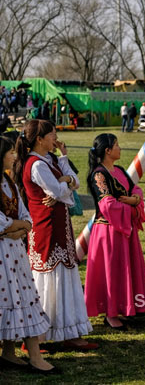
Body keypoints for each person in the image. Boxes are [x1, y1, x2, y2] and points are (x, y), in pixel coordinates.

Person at [13, 120, 96, 350]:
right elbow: (57, 191)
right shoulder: (36, 165)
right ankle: (39, 335)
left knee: (64, 277)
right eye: (52, 134)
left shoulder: (49, 159)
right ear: (40, 139)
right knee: (49, 279)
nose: (56, 138)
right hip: (46, 229)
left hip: (59, 226)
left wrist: (64, 164)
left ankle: (66, 330)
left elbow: (72, 184)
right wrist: (64, 185)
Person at [84, 133, 145, 330]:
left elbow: (135, 190)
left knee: (125, 270)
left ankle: (125, 308)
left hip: (123, 229)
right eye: (117, 145)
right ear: (107, 150)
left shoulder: (120, 170)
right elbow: (107, 204)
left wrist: (135, 201)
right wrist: (132, 208)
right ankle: (110, 314)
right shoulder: (99, 174)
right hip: (108, 231)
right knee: (111, 273)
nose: (120, 148)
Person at [0, 136, 55, 373]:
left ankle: (13, 352)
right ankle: (23, 355)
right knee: (7, 299)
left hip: (15, 253)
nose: (14, 156)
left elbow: (26, 215)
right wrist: (15, 226)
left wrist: (22, 226)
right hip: (2, 255)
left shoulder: (8, 181)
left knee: (21, 296)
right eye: (10, 152)